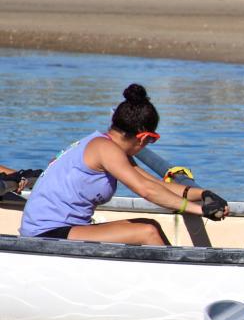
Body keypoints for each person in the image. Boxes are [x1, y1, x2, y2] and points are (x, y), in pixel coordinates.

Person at [19, 84, 228, 245]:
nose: (149, 145)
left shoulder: (108, 146)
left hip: (66, 228)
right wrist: (199, 211)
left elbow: (156, 184)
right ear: (143, 136)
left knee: (150, 225)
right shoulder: (105, 149)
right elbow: (146, 191)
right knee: (148, 232)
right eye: (151, 140)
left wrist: (203, 194)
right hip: (45, 233)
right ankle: (179, 290)